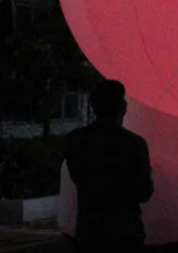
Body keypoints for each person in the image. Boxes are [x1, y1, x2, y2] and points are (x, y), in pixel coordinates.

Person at [64, 79, 154, 252]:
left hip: (89, 232)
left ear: (93, 106)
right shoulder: (134, 144)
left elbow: (78, 177)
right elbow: (144, 192)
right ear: (122, 107)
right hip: (125, 233)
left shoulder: (75, 140)